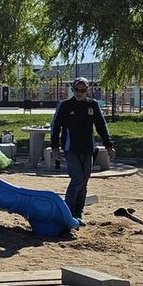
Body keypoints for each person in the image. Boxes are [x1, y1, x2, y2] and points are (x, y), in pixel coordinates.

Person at [50, 77, 116, 227]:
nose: (80, 93)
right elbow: (56, 127)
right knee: (77, 179)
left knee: (84, 182)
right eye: (77, 90)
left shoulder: (92, 105)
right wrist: (55, 147)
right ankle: (67, 212)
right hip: (70, 148)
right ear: (73, 90)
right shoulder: (65, 105)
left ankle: (78, 213)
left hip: (88, 149)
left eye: (83, 90)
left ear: (88, 90)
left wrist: (108, 145)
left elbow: (101, 126)